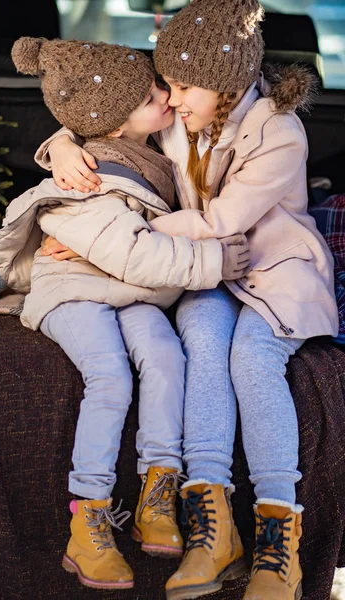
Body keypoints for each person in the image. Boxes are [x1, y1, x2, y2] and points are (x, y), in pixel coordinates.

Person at [35, 1, 339, 598]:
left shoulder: (279, 132)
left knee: (252, 360)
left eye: (182, 87)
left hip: (271, 270)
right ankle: (212, 530)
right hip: (204, 272)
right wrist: (61, 145)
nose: (170, 100)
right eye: (166, 86)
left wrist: (114, 236)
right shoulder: (181, 113)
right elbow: (105, 115)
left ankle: (279, 539)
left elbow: (225, 218)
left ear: (226, 87)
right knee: (198, 340)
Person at [0, 36, 250, 592]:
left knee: (165, 356)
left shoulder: (148, 147)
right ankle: (89, 522)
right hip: (73, 291)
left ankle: (159, 489)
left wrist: (59, 139)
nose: (169, 97)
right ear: (110, 122)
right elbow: (133, 252)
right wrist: (213, 261)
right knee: (108, 375)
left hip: (126, 289)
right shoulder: (88, 175)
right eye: (155, 91)